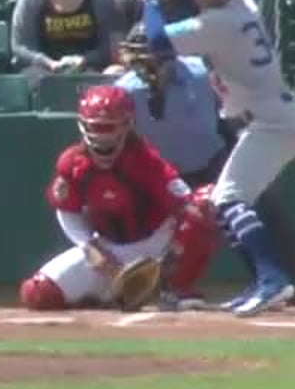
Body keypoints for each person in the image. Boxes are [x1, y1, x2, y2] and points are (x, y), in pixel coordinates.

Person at [140, 0, 295, 316]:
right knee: (223, 202)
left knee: (230, 199)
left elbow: (157, 42)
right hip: (276, 118)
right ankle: (267, 279)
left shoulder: (216, 25)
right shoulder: (242, 5)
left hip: (273, 123)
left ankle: (273, 279)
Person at [114, 24, 295, 307]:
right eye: (142, 58)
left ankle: (290, 278)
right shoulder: (123, 91)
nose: (149, 65)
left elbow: (240, 106)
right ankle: (171, 287)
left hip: (212, 160)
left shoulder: (200, 73)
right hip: (161, 175)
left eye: (154, 56)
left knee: (260, 200)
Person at [18, 84, 209, 312]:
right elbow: (67, 210)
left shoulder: (148, 161)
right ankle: (106, 295)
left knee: (203, 206)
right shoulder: (71, 163)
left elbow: (186, 202)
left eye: (109, 127)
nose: (102, 136)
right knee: (37, 294)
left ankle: (175, 288)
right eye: (96, 127)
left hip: (154, 244)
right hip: (107, 249)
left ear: (127, 125)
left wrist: (169, 260)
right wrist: (90, 247)